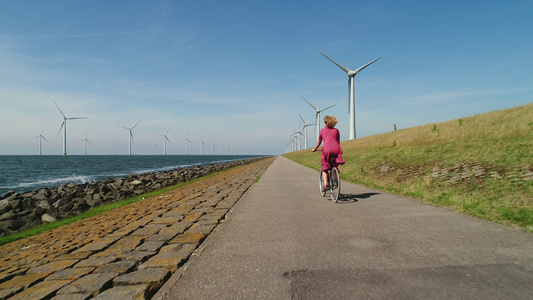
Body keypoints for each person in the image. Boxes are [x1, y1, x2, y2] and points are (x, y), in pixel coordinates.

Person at [311, 115, 345, 191]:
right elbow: (338, 141)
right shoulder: (336, 131)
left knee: (325, 167)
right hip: (336, 149)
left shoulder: (322, 130)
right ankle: (335, 178)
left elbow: (319, 142)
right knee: (334, 164)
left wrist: (314, 149)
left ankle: (326, 184)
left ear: (326, 122)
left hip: (326, 150)